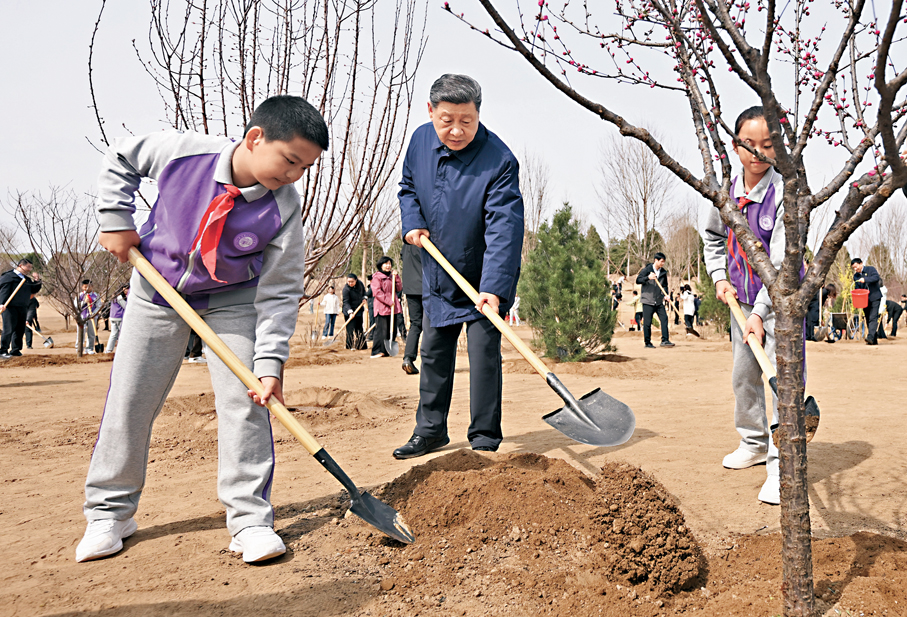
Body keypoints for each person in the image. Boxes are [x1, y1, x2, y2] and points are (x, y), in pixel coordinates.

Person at [77, 95, 327, 565]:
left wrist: (269, 363)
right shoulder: (184, 152)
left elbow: (281, 289)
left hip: (232, 302)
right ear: (256, 138)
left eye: (304, 168)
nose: (294, 175)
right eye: (290, 160)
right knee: (131, 398)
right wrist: (115, 220)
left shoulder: (284, 207)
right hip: (156, 289)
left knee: (246, 399)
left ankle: (250, 519)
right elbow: (121, 158)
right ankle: (109, 513)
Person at [393, 73, 524, 459]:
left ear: (478, 115)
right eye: (446, 120)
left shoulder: (499, 160)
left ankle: (484, 435)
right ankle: (430, 430)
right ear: (430, 111)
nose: (456, 130)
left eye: (466, 121)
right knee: (434, 351)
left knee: (484, 356)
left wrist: (494, 288)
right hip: (438, 268)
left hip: (483, 276)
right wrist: (412, 221)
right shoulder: (419, 140)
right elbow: (408, 188)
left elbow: (505, 228)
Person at [700, 105, 787, 505]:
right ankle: (752, 443)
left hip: (781, 305)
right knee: (744, 375)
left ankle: (780, 466)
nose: (758, 153)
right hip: (741, 301)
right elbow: (713, 239)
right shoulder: (726, 193)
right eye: (748, 144)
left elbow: (784, 264)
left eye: (767, 145)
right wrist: (720, 278)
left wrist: (761, 313)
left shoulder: (785, 193)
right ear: (735, 146)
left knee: (779, 380)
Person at [0, 258, 42, 358]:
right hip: (9, 307)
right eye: (28, 267)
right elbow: (3, 291)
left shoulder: (26, 280)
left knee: (19, 329)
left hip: (23, 307)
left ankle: (15, 350)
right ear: (20, 266)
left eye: (31, 267)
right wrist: (1, 303)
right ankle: (3, 351)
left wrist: (37, 280)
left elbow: (34, 289)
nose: (29, 269)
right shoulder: (9, 277)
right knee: (9, 329)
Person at [635, 253, 674, 349]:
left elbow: (664, 285)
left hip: (659, 301)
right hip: (648, 300)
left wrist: (666, 295)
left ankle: (665, 340)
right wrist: (648, 278)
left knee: (664, 319)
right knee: (647, 323)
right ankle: (647, 343)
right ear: (655, 260)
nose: (663, 263)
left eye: (664, 262)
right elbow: (638, 280)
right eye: (661, 261)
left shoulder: (663, 272)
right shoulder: (647, 270)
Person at [370, 257, 402, 358]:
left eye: (389, 264)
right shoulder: (376, 277)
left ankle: (387, 350)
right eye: (385, 264)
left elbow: (399, 288)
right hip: (382, 307)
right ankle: (377, 351)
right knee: (381, 330)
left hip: (392, 308)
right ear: (381, 265)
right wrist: (388, 301)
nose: (388, 266)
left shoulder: (392, 276)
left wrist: (396, 278)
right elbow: (377, 292)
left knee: (391, 329)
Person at [401, 242, 424, 374]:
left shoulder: (406, 244)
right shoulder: (422, 240)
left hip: (409, 288)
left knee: (415, 323)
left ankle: (408, 358)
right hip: (425, 286)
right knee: (430, 324)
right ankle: (430, 360)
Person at [851, 258, 882, 345]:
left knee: (873, 317)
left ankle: (870, 337)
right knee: (868, 318)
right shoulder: (856, 276)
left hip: (875, 297)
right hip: (864, 300)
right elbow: (857, 288)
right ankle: (873, 339)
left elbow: (876, 278)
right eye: (853, 268)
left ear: (861, 264)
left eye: (856, 267)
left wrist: (865, 279)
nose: (855, 269)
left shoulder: (870, 269)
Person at [341, 273, 367, 350]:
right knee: (350, 329)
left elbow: (364, 292)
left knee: (359, 329)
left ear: (356, 280)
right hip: (349, 311)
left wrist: (364, 298)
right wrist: (350, 312)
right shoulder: (346, 289)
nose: (350, 283)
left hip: (358, 310)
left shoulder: (360, 284)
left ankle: (361, 346)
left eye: (352, 281)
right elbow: (346, 302)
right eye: (348, 281)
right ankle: (349, 346)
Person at [104, 284, 129, 353]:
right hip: (119, 317)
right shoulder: (120, 298)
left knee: (113, 334)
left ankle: (108, 350)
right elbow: (126, 306)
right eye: (126, 289)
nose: (127, 290)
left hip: (113, 317)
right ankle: (122, 350)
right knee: (122, 334)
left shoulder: (115, 297)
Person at [78, 280, 101, 355]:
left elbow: (99, 306)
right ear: (82, 287)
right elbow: (76, 306)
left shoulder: (96, 295)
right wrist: (84, 302)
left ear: (92, 286)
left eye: (89, 286)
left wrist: (94, 314)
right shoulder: (80, 295)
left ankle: (90, 348)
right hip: (82, 317)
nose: (87, 288)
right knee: (81, 333)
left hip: (92, 317)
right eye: (85, 287)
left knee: (91, 333)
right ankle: (79, 348)